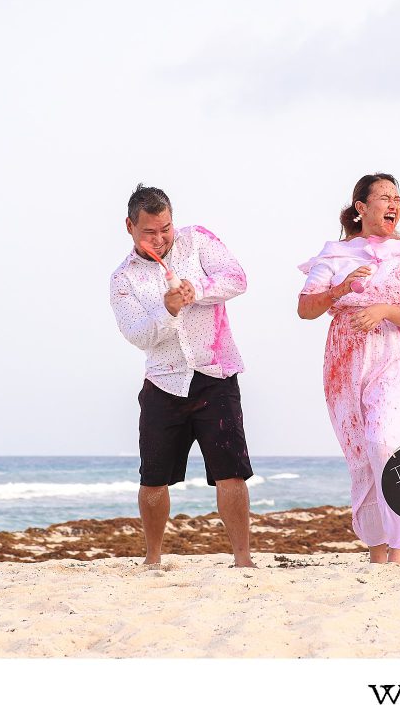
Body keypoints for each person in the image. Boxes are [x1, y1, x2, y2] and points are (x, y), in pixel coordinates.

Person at [297, 173, 400, 565]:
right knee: (362, 455)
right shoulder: (334, 255)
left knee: (385, 441)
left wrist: (384, 310)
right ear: (361, 207)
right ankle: (378, 552)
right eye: (385, 197)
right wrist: (341, 290)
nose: (393, 204)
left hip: (395, 355)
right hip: (345, 361)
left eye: (397, 198)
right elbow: (305, 309)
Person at [110, 183, 255, 568]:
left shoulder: (198, 240)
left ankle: (243, 560)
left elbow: (237, 278)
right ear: (130, 226)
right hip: (163, 381)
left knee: (231, 472)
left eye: (165, 229)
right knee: (153, 481)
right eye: (149, 232)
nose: (159, 239)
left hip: (216, 372)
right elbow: (138, 335)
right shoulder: (123, 279)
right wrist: (168, 310)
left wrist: (198, 289)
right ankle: (153, 559)